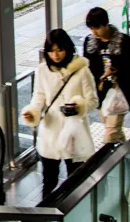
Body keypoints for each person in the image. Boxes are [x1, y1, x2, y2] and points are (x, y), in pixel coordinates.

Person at [21, 29, 99, 200]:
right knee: (49, 180)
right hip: (51, 130)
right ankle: (46, 216)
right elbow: (39, 97)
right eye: (51, 50)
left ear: (68, 48)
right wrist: (32, 112)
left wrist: (79, 106)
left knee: (76, 179)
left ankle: (75, 210)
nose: (55, 55)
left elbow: (93, 100)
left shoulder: (82, 71)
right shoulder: (43, 70)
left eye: (59, 50)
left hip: (74, 131)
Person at [83, 7, 130, 144]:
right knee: (113, 129)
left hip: (120, 91)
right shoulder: (90, 43)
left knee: (110, 134)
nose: (94, 32)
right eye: (91, 28)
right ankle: (125, 155)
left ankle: (109, 163)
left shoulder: (127, 43)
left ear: (106, 24)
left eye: (97, 28)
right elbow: (87, 68)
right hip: (100, 93)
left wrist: (117, 70)